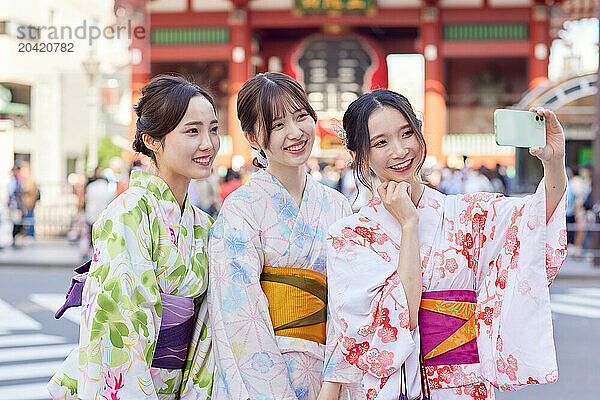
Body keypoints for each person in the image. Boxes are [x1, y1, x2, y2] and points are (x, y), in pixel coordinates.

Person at [326, 89, 567, 399]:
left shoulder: (467, 214)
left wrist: (554, 162)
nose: (400, 150)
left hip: (466, 386)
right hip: (396, 389)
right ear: (360, 155)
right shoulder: (350, 236)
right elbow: (397, 324)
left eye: (407, 134)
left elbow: (536, 224)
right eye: (381, 142)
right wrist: (409, 224)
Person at [48, 75, 220, 399]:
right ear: (152, 139)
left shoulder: (205, 226)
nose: (208, 143)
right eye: (192, 131)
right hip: (135, 383)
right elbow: (117, 327)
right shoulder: (128, 214)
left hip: (180, 386)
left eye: (213, 129)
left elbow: (209, 327)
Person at [208, 72, 362, 399]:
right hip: (263, 376)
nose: (295, 132)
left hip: (327, 377)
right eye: (277, 125)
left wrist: (333, 386)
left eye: (301, 116)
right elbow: (238, 313)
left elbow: (349, 302)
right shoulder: (241, 209)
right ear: (252, 137)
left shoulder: (336, 205)